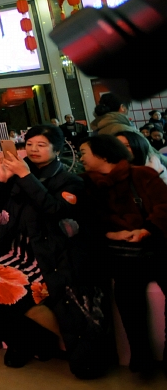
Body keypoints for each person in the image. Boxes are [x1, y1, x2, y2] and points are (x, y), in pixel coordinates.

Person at [0, 125, 106, 379]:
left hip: (50, 253)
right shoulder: (20, 174)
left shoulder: (71, 181)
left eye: (41, 145)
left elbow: (54, 210)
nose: (33, 149)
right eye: (30, 144)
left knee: (8, 283)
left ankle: (64, 339)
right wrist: (2, 177)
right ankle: (25, 341)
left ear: (57, 150)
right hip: (14, 248)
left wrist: (25, 175)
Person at [80, 135, 167, 376]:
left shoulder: (142, 175)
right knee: (128, 293)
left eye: (84, 152)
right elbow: (86, 220)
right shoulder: (84, 184)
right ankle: (141, 355)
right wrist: (110, 234)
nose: (81, 157)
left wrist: (147, 229)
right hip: (119, 254)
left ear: (103, 154)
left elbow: (164, 206)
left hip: (155, 245)